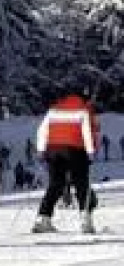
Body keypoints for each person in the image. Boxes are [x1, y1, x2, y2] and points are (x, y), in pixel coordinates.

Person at [34, 93, 99, 235]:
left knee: (55, 184)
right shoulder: (83, 109)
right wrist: (90, 151)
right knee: (81, 183)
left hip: (53, 149)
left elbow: (42, 130)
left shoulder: (54, 109)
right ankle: (85, 219)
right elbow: (87, 130)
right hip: (75, 149)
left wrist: (40, 150)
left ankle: (43, 217)